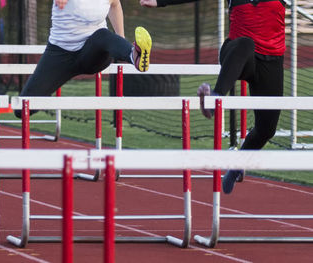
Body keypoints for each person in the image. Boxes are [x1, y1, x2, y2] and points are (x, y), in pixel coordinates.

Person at [140, 0, 285, 194]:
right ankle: (214, 99)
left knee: (266, 129)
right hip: (237, 54)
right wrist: (159, 2)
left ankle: (236, 166)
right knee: (245, 43)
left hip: (271, 61)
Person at [15, 0, 151, 114]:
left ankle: (135, 56)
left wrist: (120, 43)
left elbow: (115, 6)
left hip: (92, 54)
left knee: (102, 34)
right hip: (60, 54)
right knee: (22, 109)